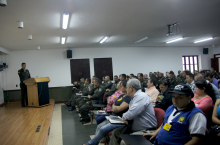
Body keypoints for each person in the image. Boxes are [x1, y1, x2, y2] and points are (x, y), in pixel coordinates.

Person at [109, 79, 157, 145]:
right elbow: (130, 113)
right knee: (116, 132)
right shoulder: (135, 97)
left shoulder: (141, 96)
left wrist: (125, 117)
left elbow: (131, 114)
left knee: (124, 142)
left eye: (127, 88)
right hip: (134, 127)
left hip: (145, 129)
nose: (126, 90)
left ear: (131, 88)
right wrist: (126, 117)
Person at [83, 81, 131, 145]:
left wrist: (114, 107)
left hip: (119, 119)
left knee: (102, 129)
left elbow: (118, 109)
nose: (120, 87)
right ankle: (94, 143)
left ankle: (90, 144)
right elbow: (114, 103)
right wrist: (114, 107)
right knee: (99, 126)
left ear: (126, 88)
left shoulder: (128, 98)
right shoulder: (122, 95)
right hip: (113, 117)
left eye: (122, 86)